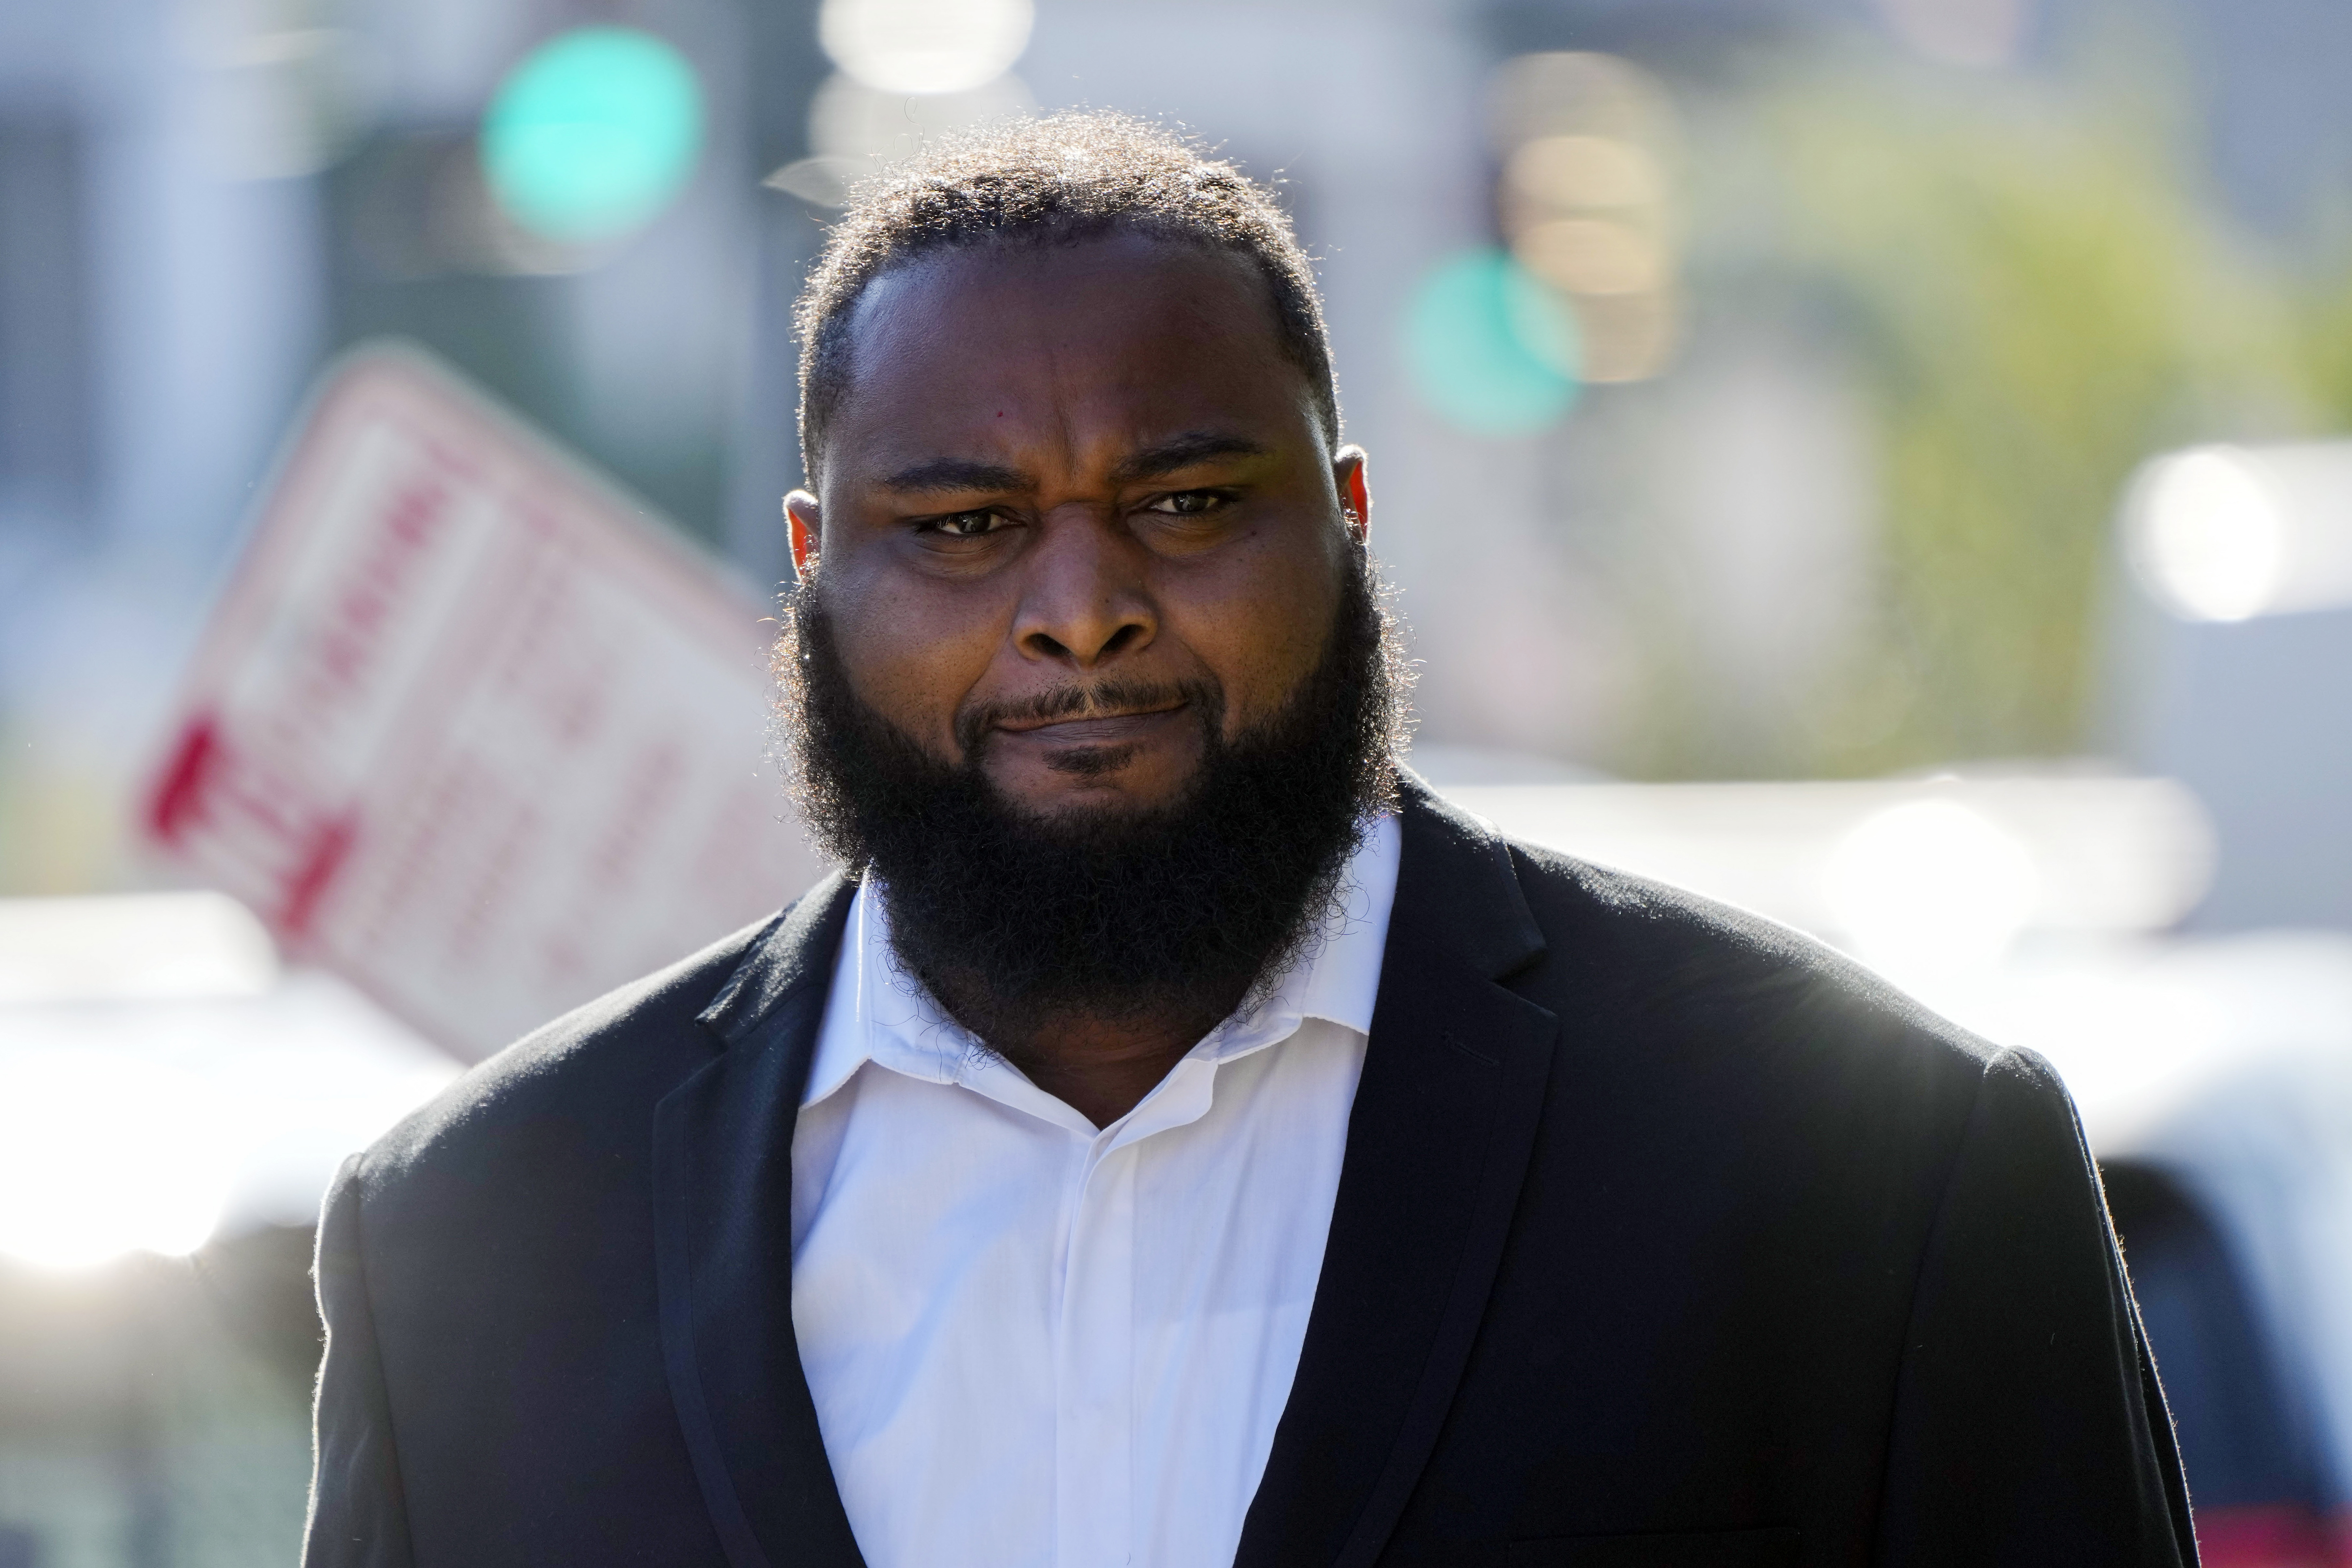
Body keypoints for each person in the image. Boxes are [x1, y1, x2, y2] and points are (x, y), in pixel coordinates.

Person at [304, 114, 2196, 1568]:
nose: (1080, 607)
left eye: (1189, 498)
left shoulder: (1875, 1175)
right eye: (962, 526)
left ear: (1348, 521)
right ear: (813, 571)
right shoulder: (476, 1237)